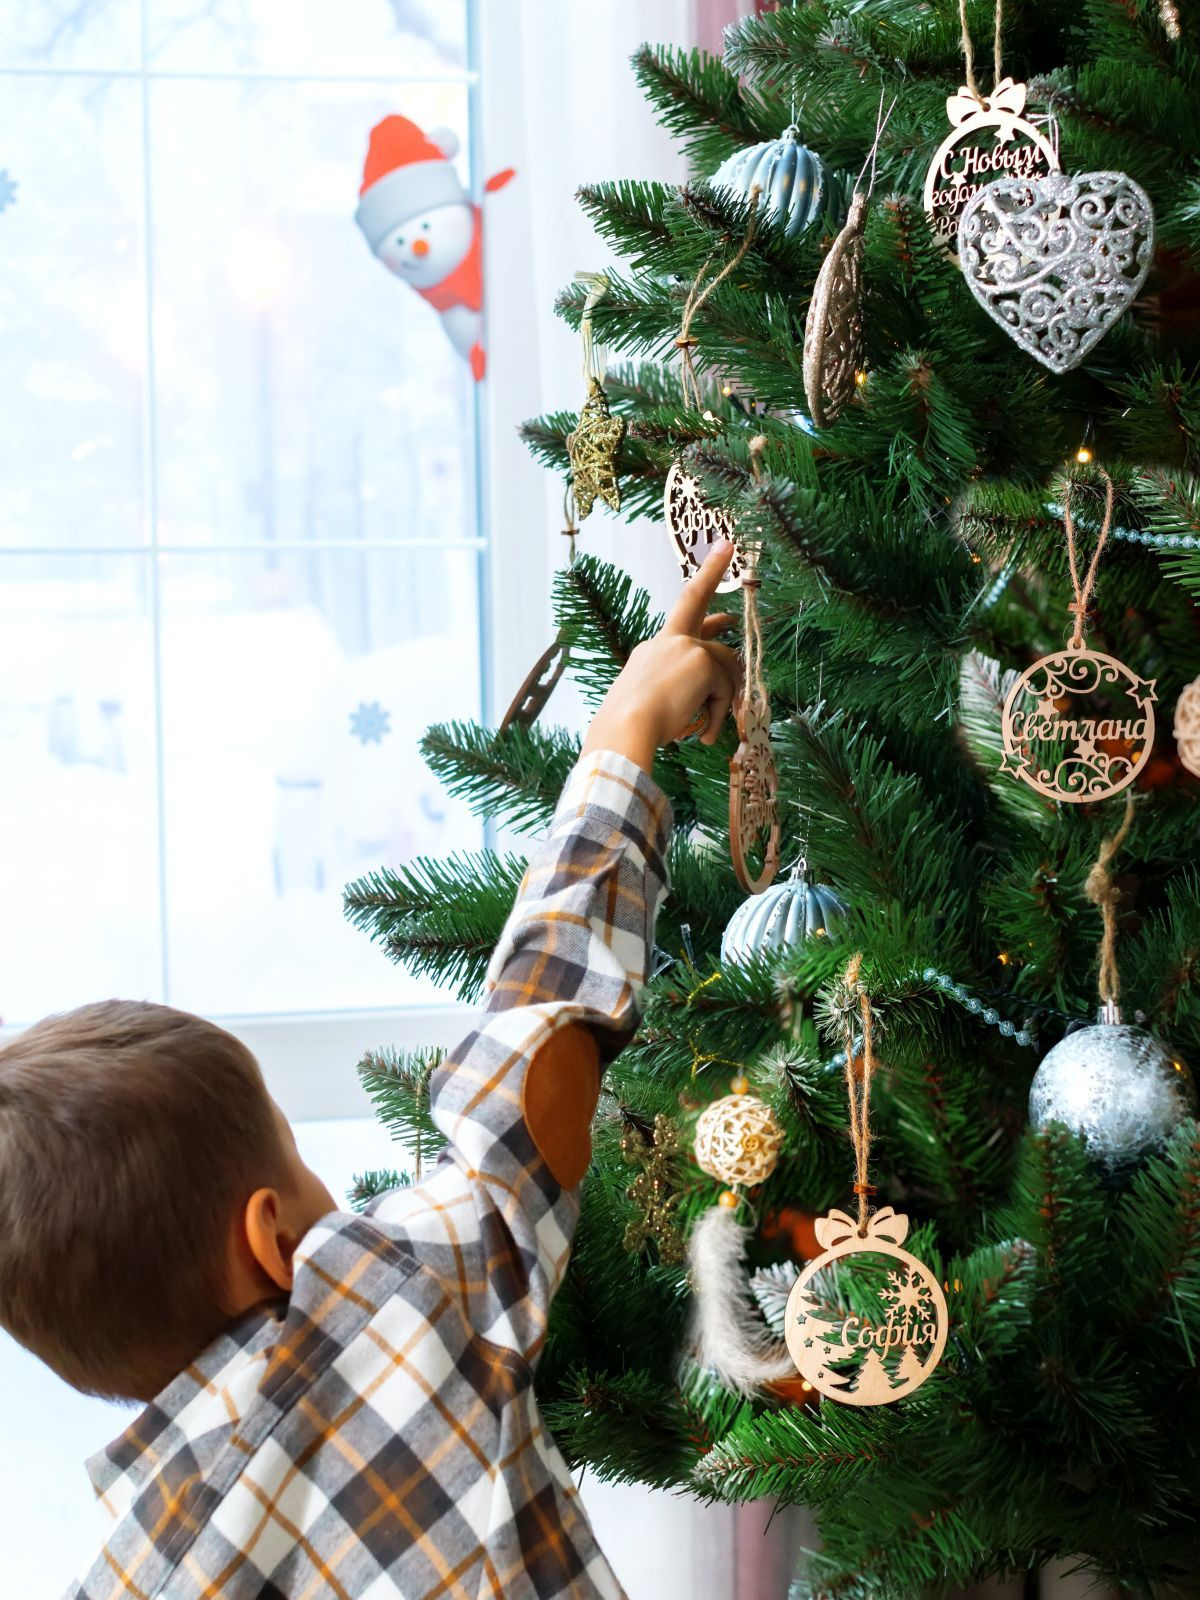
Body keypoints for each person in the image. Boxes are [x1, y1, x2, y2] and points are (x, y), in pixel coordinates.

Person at [0, 543, 741, 1600]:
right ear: (272, 1239)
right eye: (301, 1164)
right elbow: (532, 1049)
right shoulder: (385, 1311)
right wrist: (625, 735)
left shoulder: (135, 1571)